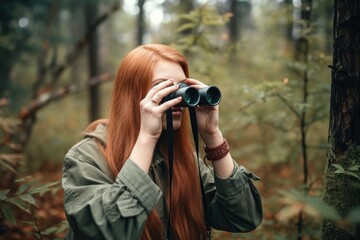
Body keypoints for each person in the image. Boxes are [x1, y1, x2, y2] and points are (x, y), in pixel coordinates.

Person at [62, 43, 263, 240]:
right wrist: (147, 138)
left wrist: (212, 135)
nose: (179, 97)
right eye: (163, 87)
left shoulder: (184, 160)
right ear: (132, 95)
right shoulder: (87, 157)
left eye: (183, 87)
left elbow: (243, 217)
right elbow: (108, 232)